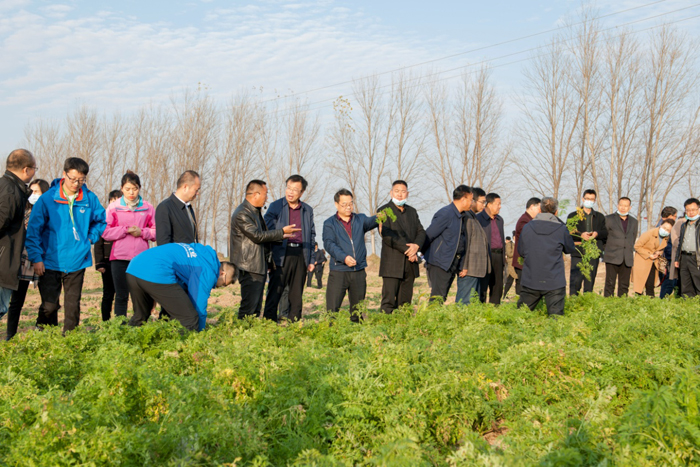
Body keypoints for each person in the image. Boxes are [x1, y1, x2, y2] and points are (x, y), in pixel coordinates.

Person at [26, 157, 106, 332]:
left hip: (77, 260)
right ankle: (46, 334)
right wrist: (36, 258)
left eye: (81, 180)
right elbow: (33, 231)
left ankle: (70, 341)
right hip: (50, 261)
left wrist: (89, 239)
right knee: (50, 306)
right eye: (73, 179)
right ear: (64, 174)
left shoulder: (90, 198)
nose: (77, 183)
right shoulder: (48, 199)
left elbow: (101, 221)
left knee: (73, 306)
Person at [127, 243, 236, 331]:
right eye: (224, 284)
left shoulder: (200, 254)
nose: (220, 287)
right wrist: (201, 333)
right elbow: (198, 306)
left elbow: (177, 293)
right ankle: (180, 350)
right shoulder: (208, 270)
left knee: (140, 317)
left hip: (133, 268)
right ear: (222, 273)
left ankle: (126, 344)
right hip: (155, 271)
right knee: (190, 318)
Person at [230, 180, 298, 320]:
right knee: (249, 306)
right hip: (249, 266)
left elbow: (262, 237)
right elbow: (257, 236)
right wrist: (280, 232)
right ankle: (243, 334)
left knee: (256, 307)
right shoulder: (243, 213)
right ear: (255, 194)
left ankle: (251, 334)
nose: (267, 197)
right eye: (265, 194)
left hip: (257, 265)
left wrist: (281, 236)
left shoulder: (255, 211)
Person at [101, 172, 156, 318]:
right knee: (121, 295)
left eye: (135, 188)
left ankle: (140, 325)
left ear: (140, 188)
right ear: (121, 189)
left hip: (141, 258)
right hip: (119, 258)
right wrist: (124, 230)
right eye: (127, 189)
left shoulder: (148, 207)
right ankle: (121, 328)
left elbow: (156, 232)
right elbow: (105, 232)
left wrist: (142, 232)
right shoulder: (113, 207)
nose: (131, 192)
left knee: (141, 295)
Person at [263, 175, 316, 322]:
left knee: (296, 292)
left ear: (302, 192)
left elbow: (311, 235)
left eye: (295, 190)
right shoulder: (276, 206)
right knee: (275, 290)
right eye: (288, 188)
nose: (290, 192)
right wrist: (282, 233)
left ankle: (294, 322)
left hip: (300, 253)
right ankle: (269, 322)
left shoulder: (307, 210)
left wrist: (311, 259)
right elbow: (267, 229)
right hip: (280, 253)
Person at [323, 189, 378, 321]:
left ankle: (356, 334)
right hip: (339, 271)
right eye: (344, 204)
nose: (348, 207)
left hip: (358, 271)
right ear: (336, 204)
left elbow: (373, 221)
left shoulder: (360, 219)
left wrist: (384, 214)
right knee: (332, 309)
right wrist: (344, 257)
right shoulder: (330, 223)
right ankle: (331, 335)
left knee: (357, 310)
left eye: (350, 203)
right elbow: (329, 244)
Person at [517, 197, 576, 317]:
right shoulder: (561, 229)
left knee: (521, 317)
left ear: (540, 210)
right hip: (554, 281)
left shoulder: (527, 227)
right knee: (555, 319)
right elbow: (570, 249)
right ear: (556, 212)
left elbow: (521, 251)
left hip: (531, 279)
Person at [5, 178, 48, 340]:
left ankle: (43, 329)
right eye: (32, 191)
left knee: (49, 301)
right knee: (17, 300)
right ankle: (10, 335)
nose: (33, 195)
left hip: (43, 258)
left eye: (37, 191)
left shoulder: (48, 213)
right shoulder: (22, 211)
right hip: (23, 259)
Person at [155, 170, 201, 318]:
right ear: (186, 187)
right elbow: (163, 242)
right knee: (171, 308)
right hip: (175, 268)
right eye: (196, 189)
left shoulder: (188, 208)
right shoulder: (165, 207)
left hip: (190, 266)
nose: (197, 193)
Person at [378, 180, 426, 314]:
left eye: (403, 191)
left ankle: (403, 329)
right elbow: (386, 234)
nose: (400, 194)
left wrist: (416, 246)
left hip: (410, 264)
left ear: (407, 194)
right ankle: (385, 330)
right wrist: (408, 250)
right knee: (388, 302)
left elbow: (421, 232)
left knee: (405, 303)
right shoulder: (383, 211)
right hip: (392, 264)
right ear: (391, 192)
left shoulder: (412, 212)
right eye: (397, 191)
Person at [0, 149, 36, 320]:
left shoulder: (6, 185)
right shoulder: (11, 192)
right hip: (2, 261)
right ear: (26, 169)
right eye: (35, 168)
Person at [423, 185, 471, 302]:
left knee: (442, 297)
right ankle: (430, 319)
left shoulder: (462, 216)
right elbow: (428, 235)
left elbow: (461, 242)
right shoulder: (446, 213)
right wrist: (422, 255)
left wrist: (461, 265)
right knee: (437, 297)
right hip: (439, 262)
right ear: (463, 199)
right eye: (471, 199)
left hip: (451, 263)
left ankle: (436, 319)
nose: (472, 202)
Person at [567, 189, 607, 295]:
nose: (589, 201)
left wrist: (596, 234)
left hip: (593, 253)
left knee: (590, 281)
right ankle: (574, 302)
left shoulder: (599, 216)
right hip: (578, 253)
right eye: (587, 199)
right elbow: (568, 232)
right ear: (583, 199)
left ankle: (587, 302)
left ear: (595, 200)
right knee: (575, 281)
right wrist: (581, 235)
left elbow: (605, 232)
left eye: (592, 199)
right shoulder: (573, 216)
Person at [455, 187, 489, 305]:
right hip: (469, 269)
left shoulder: (474, 217)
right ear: (472, 200)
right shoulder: (467, 218)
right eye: (482, 202)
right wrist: (464, 266)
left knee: (473, 304)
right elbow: (465, 243)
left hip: (476, 269)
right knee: (465, 303)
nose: (484, 205)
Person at [94, 190, 122, 321]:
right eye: (113, 201)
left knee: (121, 293)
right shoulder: (103, 221)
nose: (115, 204)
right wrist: (99, 263)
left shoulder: (125, 219)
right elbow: (98, 244)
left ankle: (119, 320)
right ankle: (106, 320)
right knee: (108, 293)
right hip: (107, 263)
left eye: (118, 201)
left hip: (122, 261)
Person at [603, 197, 638, 297]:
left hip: (626, 257)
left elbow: (632, 238)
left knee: (624, 285)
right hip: (612, 255)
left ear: (630, 207)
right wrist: (607, 250)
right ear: (617, 205)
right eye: (621, 205)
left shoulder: (634, 221)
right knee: (610, 283)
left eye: (626, 206)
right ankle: (608, 304)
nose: (623, 208)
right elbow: (604, 237)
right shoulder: (609, 219)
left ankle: (621, 305)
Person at [476, 193, 506, 304]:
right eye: (498, 204)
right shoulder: (478, 219)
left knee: (497, 286)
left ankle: (495, 310)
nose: (500, 206)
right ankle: (481, 310)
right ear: (488, 204)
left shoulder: (500, 220)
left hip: (498, 256)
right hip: (485, 256)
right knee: (483, 286)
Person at [632, 219, 675, 296]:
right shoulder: (649, 233)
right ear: (661, 225)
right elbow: (637, 246)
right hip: (643, 260)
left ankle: (651, 303)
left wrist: (659, 252)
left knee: (650, 285)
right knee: (639, 286)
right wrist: (649, 255)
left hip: (653, 263)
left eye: (668, 230)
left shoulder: (666, 238)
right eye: (664, 228)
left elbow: (662, 248)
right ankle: (638, 302)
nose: (665, 230)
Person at [512, 198, 541, 295]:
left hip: (527, 261)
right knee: (523, 290)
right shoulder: (524, 220)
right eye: (539, 209)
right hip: (522, 261)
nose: (540, 212)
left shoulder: (530, 220)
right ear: (532, 207)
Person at [674, 198, 700, 298]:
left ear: (699, 209)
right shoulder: (684, 225)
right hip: (684, 257)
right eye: (688, 210)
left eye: (693, 209)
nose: (691, 212)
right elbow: (681, 243)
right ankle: (688, 306)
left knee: (698, 283)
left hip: (696, 257)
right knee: (685, 284)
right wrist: (677, 258)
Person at [657, 206, 679, 298]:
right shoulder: (664, 228)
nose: (675, 219)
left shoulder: (662, 225)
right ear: (670, 216)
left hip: (669, 260)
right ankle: (663, 303)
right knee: (668, 285)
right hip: (667, 261)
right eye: (675, 216)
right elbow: (666, 246)